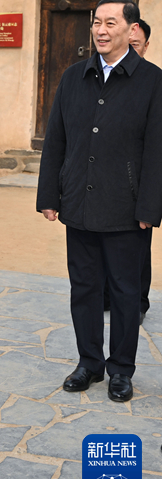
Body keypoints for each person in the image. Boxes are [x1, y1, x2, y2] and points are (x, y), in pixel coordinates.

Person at [37, 0, 162, 403]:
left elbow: (157, 151)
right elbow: (56, 140)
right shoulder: (74, 77)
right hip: (80, 204)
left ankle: (121, 370)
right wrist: (50, 195)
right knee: (84, 289)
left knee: (126, 294)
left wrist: (149, 207)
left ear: (131, 29)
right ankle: (89, 363)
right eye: (96, 23)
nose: (101, 30)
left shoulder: (152, 81)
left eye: (110, 23)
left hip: (126, 210)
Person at [103, 18, 153, 320]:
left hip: (136, 187)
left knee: (136, 254)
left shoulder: (152, 85)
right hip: (104, 182)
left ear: (145, 47)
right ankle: (107, 297)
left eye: (136, 46)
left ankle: (138, 302)